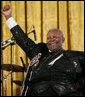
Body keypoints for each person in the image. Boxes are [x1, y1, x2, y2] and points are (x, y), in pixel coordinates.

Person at [2, 4, 84, 96]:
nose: (51, 39)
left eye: (55, 37)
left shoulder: (74, 57)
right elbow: (22, 39)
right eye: (49, 38)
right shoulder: (38, 52)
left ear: (63, 40)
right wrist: (8, 17)